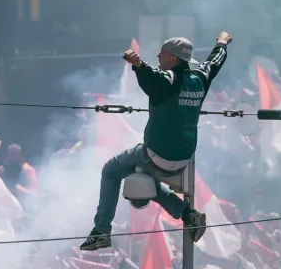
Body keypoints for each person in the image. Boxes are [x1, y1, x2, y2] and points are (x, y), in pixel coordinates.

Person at [81, 31, 232, 251]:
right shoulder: (200, 77)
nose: (158, 57)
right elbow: (214, 62)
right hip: (183, 158)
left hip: (155, 155)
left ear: (173, 58)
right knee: (149, 183)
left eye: (162, 54)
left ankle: (101, 231)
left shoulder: (169, 80)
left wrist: (138, 64)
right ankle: (189, 214)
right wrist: (222, 43)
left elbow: (153, 76)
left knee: (111, 170)